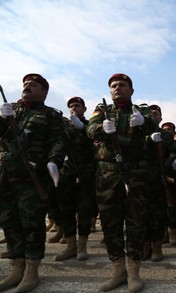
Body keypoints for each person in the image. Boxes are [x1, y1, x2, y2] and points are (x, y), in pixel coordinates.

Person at [86, 73, 158, 292]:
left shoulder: (140, 110)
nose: (118, 88)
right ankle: (118, 271)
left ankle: (134, 273)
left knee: (136, 223)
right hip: (107, 174)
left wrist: (145, 123)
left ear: (131, 90)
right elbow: (90, 129)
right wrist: (101, 128)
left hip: (135, 173)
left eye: (122, 85)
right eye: (114, 86)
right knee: (110, 223)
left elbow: (155, 130)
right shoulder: (102, 110)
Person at [0, 73, 65, 292]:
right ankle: (16, 268)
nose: (27, 85)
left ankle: (31, 271)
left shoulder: (50, 115)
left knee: (31, 223)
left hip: (32, 175)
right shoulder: (13, 111)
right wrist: (2, 120)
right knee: (10, 221)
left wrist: (54, 161)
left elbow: (58, 140)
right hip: (7, 172)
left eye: (34, 84)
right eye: (26, 83)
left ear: (44, 92)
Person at [54, 97, 96, 261]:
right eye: (71, 106)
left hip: (85, 173)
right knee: (66, 209)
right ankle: (70, 246)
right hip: (67, 173)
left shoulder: (90, 126)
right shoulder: (63, 127)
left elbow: (96, 142)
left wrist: (83, 128)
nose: (73, 108)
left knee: (84, 210)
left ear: (84, 109)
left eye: (77, 106)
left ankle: (82, 247)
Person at [142, 105, 176, 262]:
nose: (153, 115)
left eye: (156, 113)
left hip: (159, 176)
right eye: (150, 113)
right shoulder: (138, 131)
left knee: (158, 213)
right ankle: (144, 246)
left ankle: (157, 246)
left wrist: (171, 161)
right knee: (140, 213)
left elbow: (174, 151)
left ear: (161, 117)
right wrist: (147, 140)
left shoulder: (166, 135)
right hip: (139, 176)